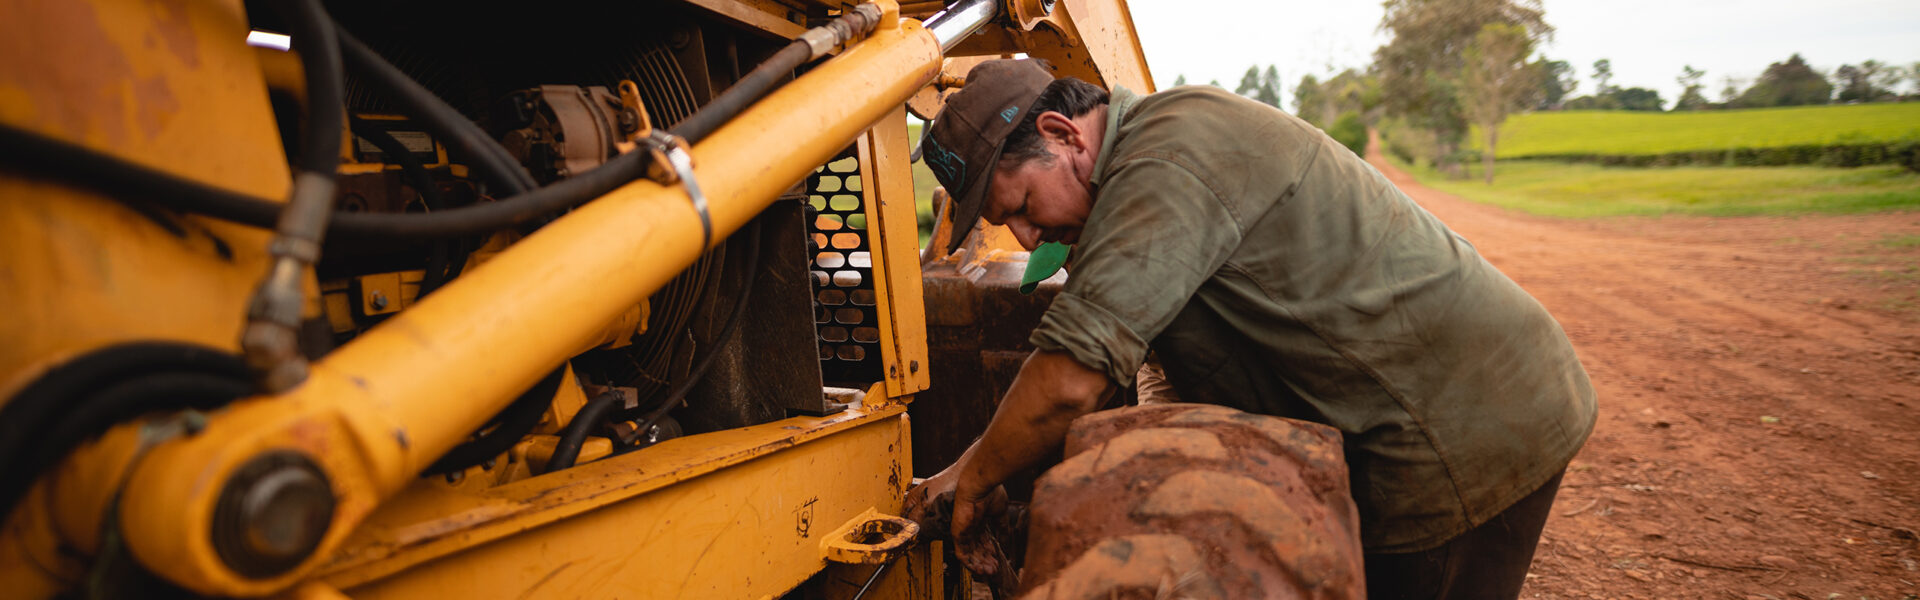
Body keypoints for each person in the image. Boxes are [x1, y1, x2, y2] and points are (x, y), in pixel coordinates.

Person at [904, 59, 1597, 599]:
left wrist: (968, 478)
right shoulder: (1134, 181)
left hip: (1459, 429)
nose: (1027, 234)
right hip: (1429, 417)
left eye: (1022, 203)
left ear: (1061, 134)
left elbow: (1067, 382)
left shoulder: (1167, 155)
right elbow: (1152, 361)